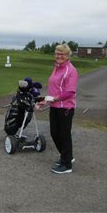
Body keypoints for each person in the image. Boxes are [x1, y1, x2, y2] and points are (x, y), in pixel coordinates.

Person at [39, 44, 78, 174]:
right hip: (54, 106)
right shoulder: (57, 67)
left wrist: (53, 99)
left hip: (65, 108)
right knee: (54, 133)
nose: (59, 56)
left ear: (67, 56)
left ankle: (67, 165)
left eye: (62, 54)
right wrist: (45, 101)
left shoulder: (70, 70)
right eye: (57, 53)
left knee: (64, 135)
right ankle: (67, 156)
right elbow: (54, 89)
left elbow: (70, 92)